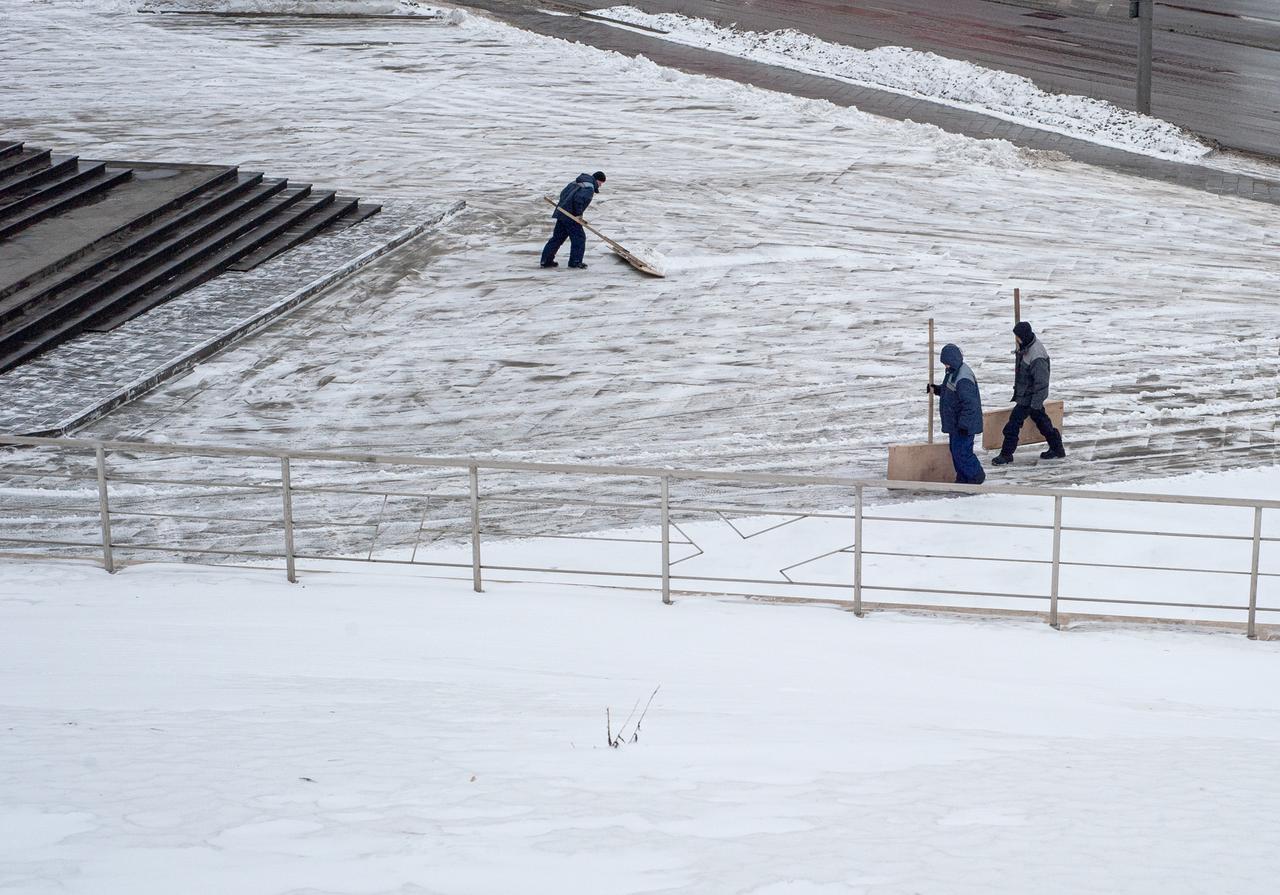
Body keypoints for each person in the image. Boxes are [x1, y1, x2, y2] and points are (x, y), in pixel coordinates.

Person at [991, 320, 1065, 465]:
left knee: (1012, 425)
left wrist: (1035, 403)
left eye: (1017, 337)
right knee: (1042, 422)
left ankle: (1006, 454)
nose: (1016, 339)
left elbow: (1042, 383)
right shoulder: (1026, 346)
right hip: (1028, 395)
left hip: (1030, 397)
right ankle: (1057, 448)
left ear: (1023, 337)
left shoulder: (1037, 355)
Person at [927, 343, 986, 485]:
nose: (945, 366)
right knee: (956, 451)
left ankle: (976, 476)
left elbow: (970, 404)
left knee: (963, 453)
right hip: (956, 423)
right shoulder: (953, 372)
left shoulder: (963, 377)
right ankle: (963, 477)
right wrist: (936, 390)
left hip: (964, 424)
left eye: (946, 363)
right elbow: (951, 394)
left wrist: (964, 425)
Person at [540, 171, 606, 270]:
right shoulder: (589, 187)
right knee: (579, 238)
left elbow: (563, 193)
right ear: (597, 180)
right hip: (571, 216)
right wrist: (578, 214)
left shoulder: (577, 182)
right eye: (601, 183)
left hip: (562, 213)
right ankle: (575, 262)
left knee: (557, 238)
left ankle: (546, 261)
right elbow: (578, 199)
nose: (600, 186)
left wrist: (564, 206)